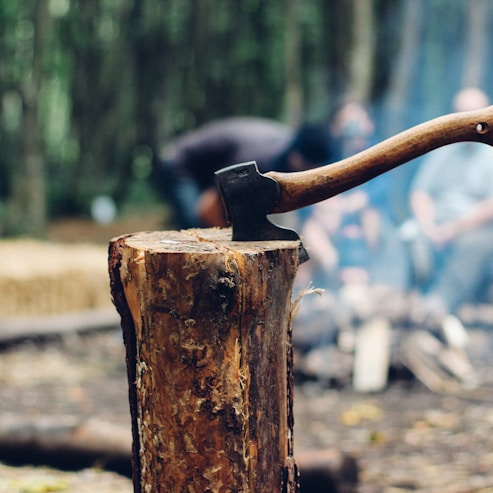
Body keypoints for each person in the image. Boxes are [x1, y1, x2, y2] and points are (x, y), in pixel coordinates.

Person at [409, 87, 493, 319]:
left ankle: (440, 304)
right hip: (436, 225)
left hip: (474, 228)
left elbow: (491, 205)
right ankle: (400, 300)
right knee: (409, 236)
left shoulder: (490, 155)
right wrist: (428, 227)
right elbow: (420, 193)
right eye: (461, 113)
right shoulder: (443, 151)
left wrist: (451, 230)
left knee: (478, 244)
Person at [158, 117, 332, 228]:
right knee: (196, 229)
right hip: (181, 163)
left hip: (212, 167)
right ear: (298, 159)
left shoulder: (287, 151)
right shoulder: (259, 160)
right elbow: (207, 208)